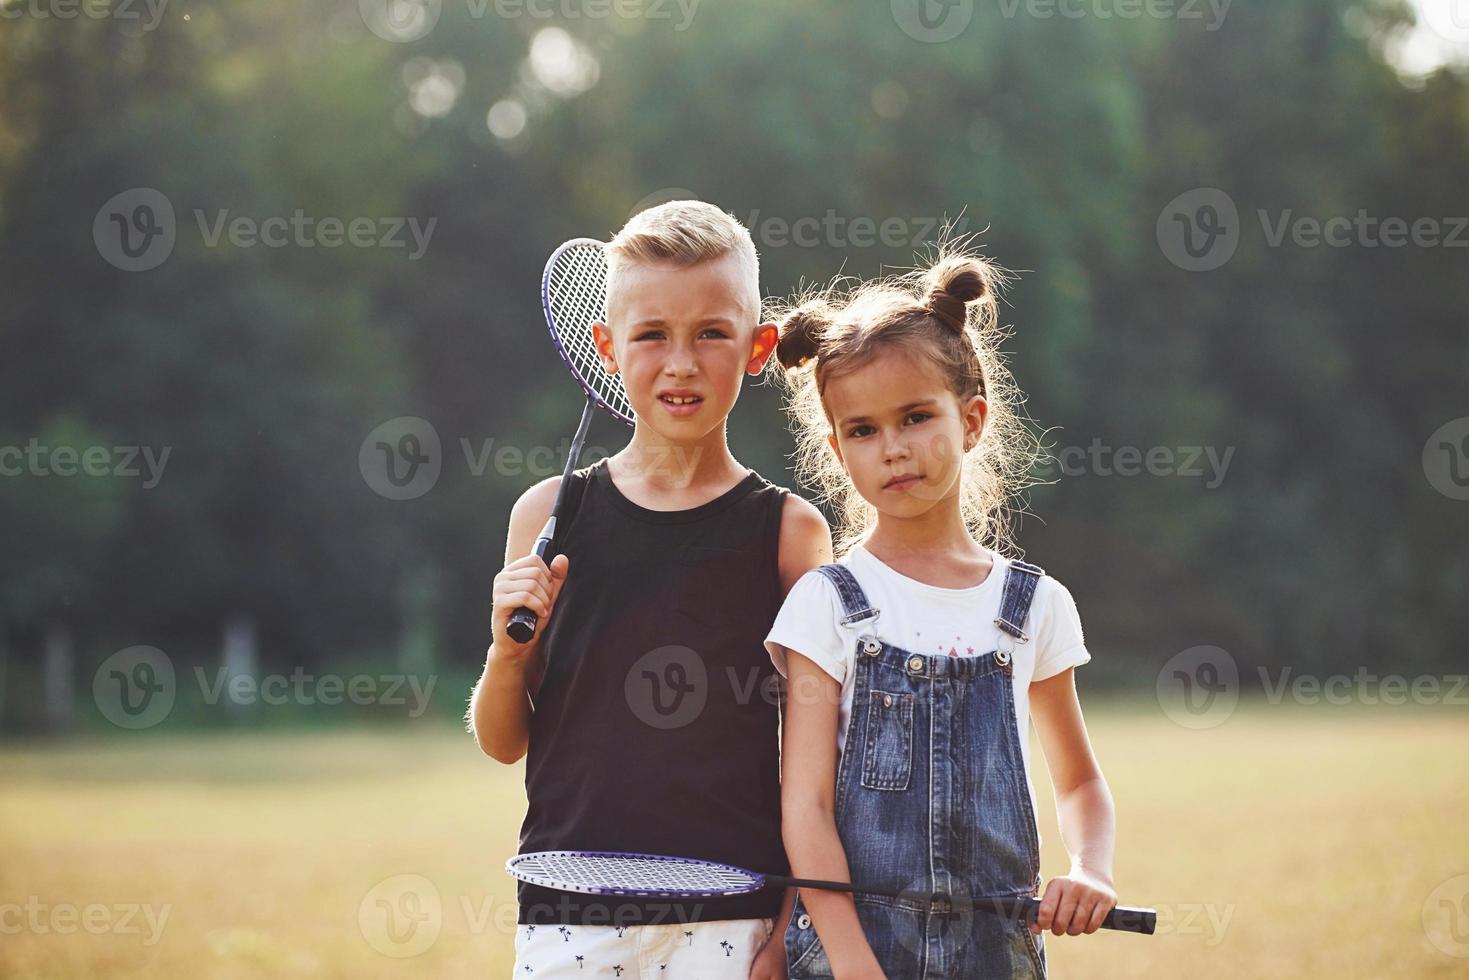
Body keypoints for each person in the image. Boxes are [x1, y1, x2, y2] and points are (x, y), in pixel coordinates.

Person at [469, 200, 832, 979]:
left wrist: (790, 921)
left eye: (711, 333)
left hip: (732, 913)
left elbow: (816, 759)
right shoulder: (546, 516)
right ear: (606, 346)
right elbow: (503, 741)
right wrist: (504, 654)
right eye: (650, 335)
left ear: (758, 347)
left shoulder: (790, 534)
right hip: (569, 909)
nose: (681, 362)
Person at [763, 251, 1117, 979]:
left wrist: (1091, 869)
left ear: (972, 419)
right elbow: (804, 806)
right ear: (836, 450)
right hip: (850, 958)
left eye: (916, 417)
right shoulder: (826, 604)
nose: (892, 448)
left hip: (995, 958)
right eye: (861, 430)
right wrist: (852, 962)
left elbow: (1078, 782)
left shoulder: (1032, 606)